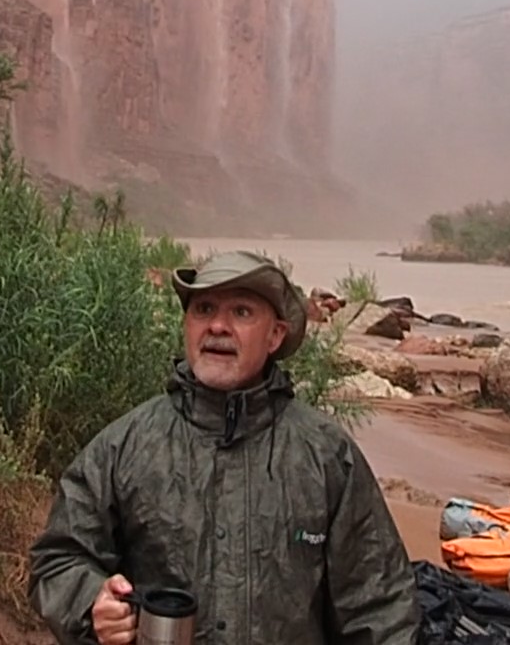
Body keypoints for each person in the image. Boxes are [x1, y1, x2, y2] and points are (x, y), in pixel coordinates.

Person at [27, 250, 420, 645]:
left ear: (276, 335)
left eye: (242, 312)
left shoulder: (327, 456)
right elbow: (58, 560)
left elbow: (381, 608)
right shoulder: (124, 445)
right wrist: (90, 602)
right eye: (204, 308)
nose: (217, 326)